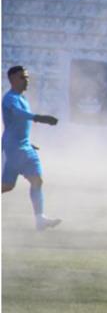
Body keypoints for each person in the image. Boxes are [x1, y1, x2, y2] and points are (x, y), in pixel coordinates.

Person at [2, 65, 62, 231]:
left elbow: (18, 125)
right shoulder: (10, 98)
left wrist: (28, 142)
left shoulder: (23, 98)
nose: (26, 80)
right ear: (12, 79)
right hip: (13, 149)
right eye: (22, 77)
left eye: (27, 77)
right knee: (7, 186)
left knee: (37, 180)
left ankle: (40, 218)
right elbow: (18, 114)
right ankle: (40, 218)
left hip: (24, 147)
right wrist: (39, 117)